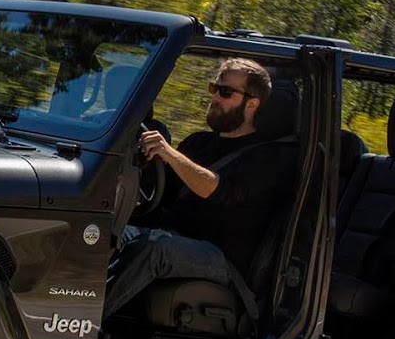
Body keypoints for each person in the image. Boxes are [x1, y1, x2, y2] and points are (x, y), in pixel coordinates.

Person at [103, 57, 288, 323]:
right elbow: (162, 192)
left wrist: (169, 154)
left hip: (221, 259)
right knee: (106, 233)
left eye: (225, 92)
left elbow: (216, 189)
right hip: (173, 234)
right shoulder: (198, 142)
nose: (215, 98)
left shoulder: (267, 159)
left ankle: (82, 325)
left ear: (252, 104)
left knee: (156, 249)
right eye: (215, 88)